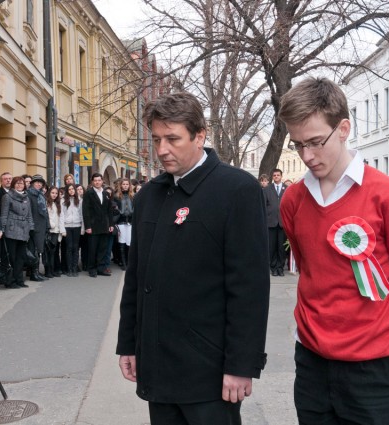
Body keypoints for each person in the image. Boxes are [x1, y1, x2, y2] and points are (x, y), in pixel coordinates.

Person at [277, 77, 389, 424]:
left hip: (375, 367)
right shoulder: (293, 200)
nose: (306, 155)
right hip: (312, 364)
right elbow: (309, 269)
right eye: (298, 144)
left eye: (315, 142)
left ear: (343, 129)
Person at [117, 91, 270, 425]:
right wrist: (128, 344)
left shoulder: (237, 190)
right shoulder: (149, 196)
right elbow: (137, 278)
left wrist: (241, 365)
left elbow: (249, 288)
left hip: (209, 372)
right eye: (156, 139)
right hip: (157, 365)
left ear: (199, 136)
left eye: (173, 139)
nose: (162, 149)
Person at [0, 176, 34, 288]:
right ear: (13, 185)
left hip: (24, 230)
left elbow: (29, 215)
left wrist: (31, 227)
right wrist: (2, 229)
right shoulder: (7, 196)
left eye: (22, 184)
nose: (20, 185)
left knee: (21, 257)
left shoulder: (26, 197)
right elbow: (4, 214)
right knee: (12, 257)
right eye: (17, 183)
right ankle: (11, 281)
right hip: (11, 230)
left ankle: (19, 280)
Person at [82, 173, 114, 277]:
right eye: (95, 180)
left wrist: (111, 224)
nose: (97, 182)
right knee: (92, 249)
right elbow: (85, 211)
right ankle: (92, 269)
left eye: (99, 180)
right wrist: (88, 226)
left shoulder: (106, 193)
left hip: (104, 225)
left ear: (102, 181)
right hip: (93, 226)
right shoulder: (88, 193)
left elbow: (109, 210)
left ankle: (101, 268)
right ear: (92, 182)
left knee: (102, 248)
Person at [263, 168, 287, 276]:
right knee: (272, 247)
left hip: (282, 223)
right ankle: (273, 268)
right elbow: (263, 206)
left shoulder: (287, 189)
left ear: (281, 176)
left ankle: (280, 268)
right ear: (272, 177)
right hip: (271, 222)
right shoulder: (267, 190)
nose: (276, 177)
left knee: (281, 248)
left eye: (278, 175)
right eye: (274, 175)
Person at [27, 174, 50, 281]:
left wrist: (47, 225)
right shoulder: (28, 194)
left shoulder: (41, 195)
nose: (39, 184)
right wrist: (31, 226)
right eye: (37, 182)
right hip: (33, 227)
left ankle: (36, 271)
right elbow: (28, 212)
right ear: (32, 183)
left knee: (38, 250)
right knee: (33, 250)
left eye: (41, 183)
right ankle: (33, 273)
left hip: (42, 226)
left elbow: (45, 212)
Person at [61, 184, 83, 277]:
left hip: (77, 226)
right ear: (67, 191)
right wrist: (62, 229)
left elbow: (82, 214)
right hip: (67, 226)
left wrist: (82, 228)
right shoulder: (63, 201)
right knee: (69, 247)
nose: (71, 191)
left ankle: (75, 268)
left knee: (76, 247)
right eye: (69, 189)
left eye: (73, 189)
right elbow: (61, 215)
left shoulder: (80, 200)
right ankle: (69, 269)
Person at [44, 186, 64, 278]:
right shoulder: (46, 203)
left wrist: (60, 229)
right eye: (52, 193)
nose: (54, 195)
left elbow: (60, 217)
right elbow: (46, 217)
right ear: (49, 193)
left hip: (56, 231)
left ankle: (52, 270)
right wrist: (51, 225)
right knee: (47, 252)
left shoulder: (57, 204)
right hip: (49, 231)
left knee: (53, 251)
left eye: (56, 193)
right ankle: (47, 271)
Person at [113, 178, 134, 270]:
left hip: (130, 222)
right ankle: (123, 263)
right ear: (121, 185)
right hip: (120, 222)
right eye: (123, 184)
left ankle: (129, 262)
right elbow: (115, 209)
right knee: (121, 242)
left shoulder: (133, 196)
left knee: (129, 242)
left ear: (129, 186)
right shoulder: (116, 196)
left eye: (127, 184)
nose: (125, 186)